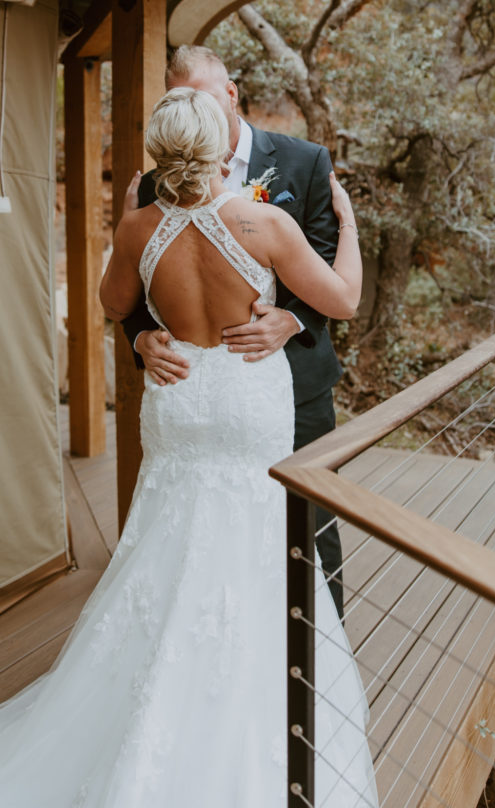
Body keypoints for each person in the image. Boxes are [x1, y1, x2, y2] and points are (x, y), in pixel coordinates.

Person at [0, 89, 376, 808]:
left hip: (179, 397)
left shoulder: (139, 227)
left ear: (161, 152)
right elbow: (342, 299)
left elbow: (111, 302)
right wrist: (346, 225)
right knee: (254, 539)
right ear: (218, 146)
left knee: (164, 544)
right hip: (243, 399)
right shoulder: (264, 222)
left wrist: (145, 332)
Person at [122, 45, 346, 618]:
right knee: (187, 531)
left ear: (231, 94)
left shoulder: (306, 160)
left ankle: (321, 646)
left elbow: (318, 269)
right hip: (192, 383)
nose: (194, 107)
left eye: (201, 95)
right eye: (180, 98)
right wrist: (142, 335)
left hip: (291, 381)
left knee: (309, 522)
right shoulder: (156, 185)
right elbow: (137, 292)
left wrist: (292, 319)